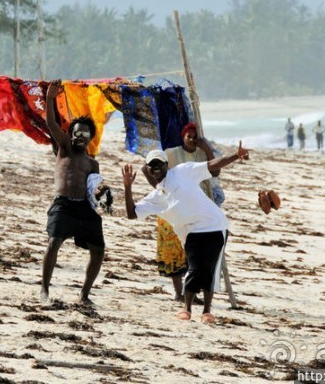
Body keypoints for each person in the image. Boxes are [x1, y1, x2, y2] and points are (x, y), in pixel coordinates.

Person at [121, 142, 250, 324]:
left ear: (167, 165)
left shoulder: (182, 171)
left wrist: (236, 155)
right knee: (194, 268)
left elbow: (212, 165)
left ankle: (207, 311)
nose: (156, 168)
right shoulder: (155, 197)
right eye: (152, 165)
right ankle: (187, 309)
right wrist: (127, 187)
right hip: (190, 233)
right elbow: (132, 214)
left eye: (159, 164)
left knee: (210, 269)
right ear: (148, 170)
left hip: (215, 225)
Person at [41, 82, 106, 305]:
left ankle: (84, 295)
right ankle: (45, 290)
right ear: (71, 134)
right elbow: (51, 123)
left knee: (98, 250)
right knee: (54, 242)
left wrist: (104, 200)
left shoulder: (92, 163)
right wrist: (50, 99)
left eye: (85, 135)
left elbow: (95, 189)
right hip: (63, 205)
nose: (81, 138)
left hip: (84, 208)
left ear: (90, 138)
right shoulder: (64, 147)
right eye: (77, 134)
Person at [158, 123, 221, 302]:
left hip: (200, 209)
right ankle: (179, 293)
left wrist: (207, 148)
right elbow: (152, 170)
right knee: (174, 251)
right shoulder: (171, 153)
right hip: (176, 207)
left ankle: (191, 291)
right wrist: (162, 192)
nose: (192, 140)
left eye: (195, 137)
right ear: (183, 136)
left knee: (196, 253)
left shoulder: (202, 155)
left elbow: (215, 171)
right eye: (189, 136)